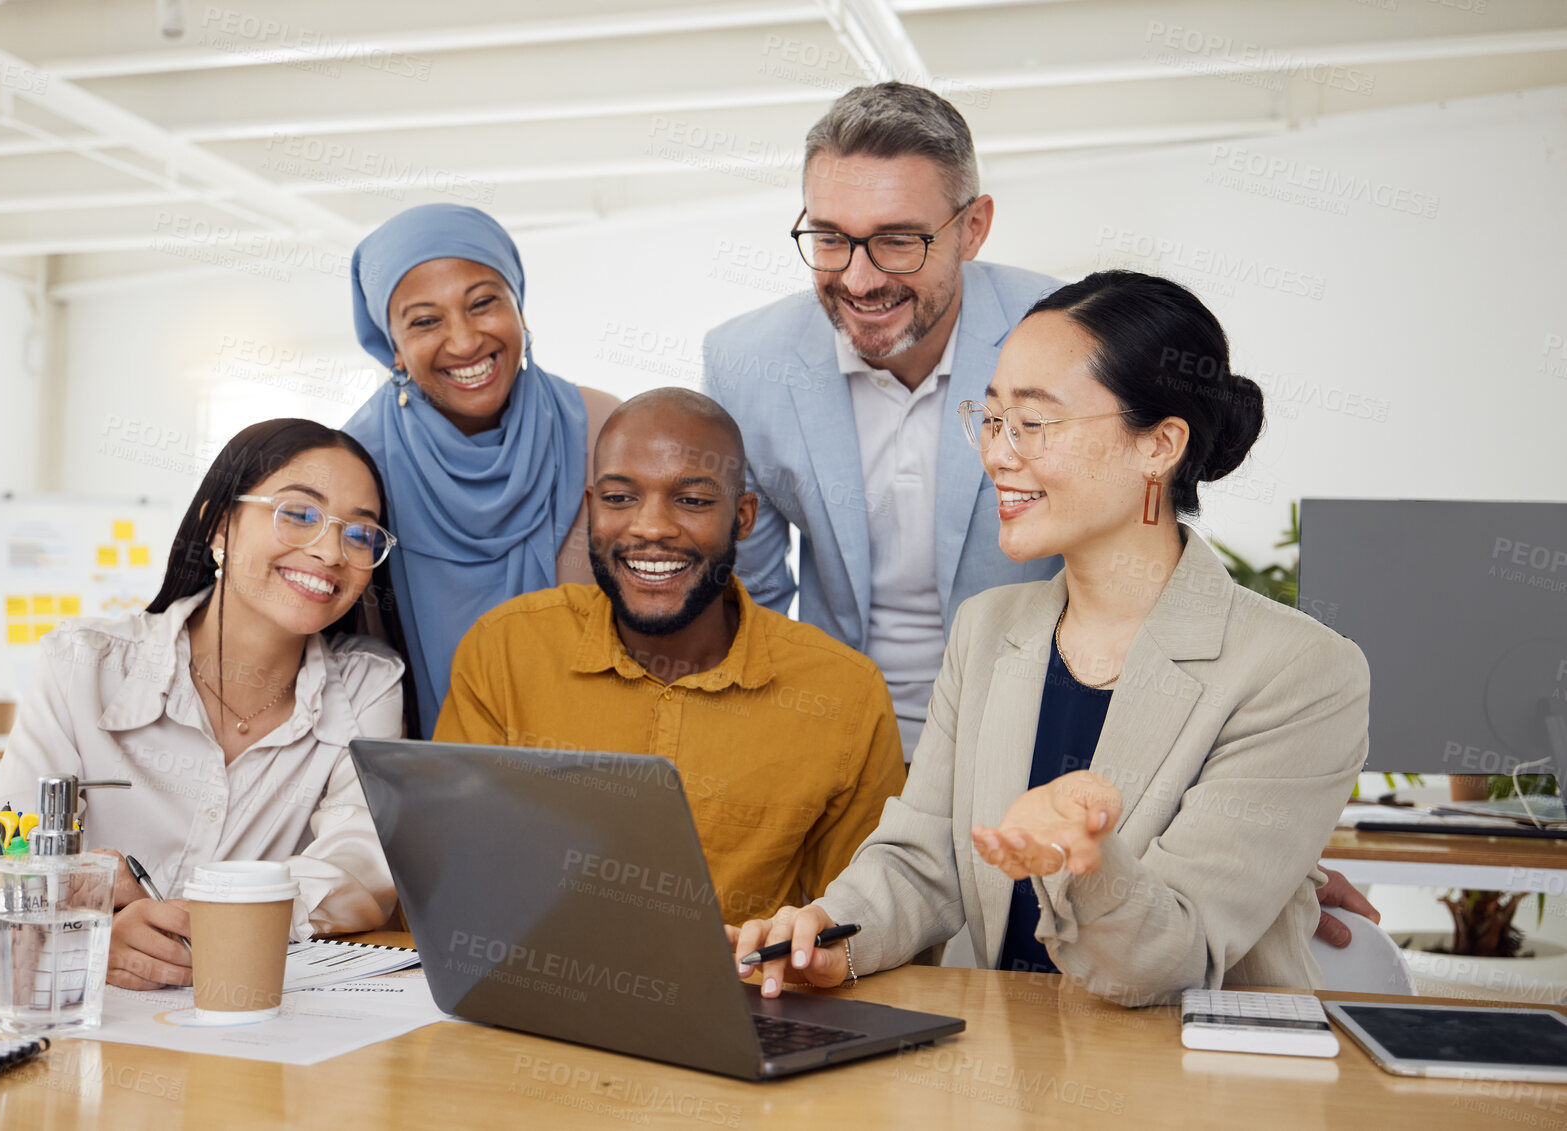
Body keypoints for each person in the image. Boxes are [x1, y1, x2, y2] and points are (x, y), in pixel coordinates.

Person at [730, 272, 1371, 1005]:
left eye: (1033, 423)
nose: (999, 453)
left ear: (1159, 444)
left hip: (1192, 1085)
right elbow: (920, 861)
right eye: (991, 418)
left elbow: (1172, 961)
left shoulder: (1300, 671)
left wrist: (1086, 860)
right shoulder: (987, 629)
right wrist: (827, 936)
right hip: (1006, 1069)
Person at [0, 420, 411, 989]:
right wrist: (89, 947)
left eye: (359, 534)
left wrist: (199, 913)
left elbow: (357, 870)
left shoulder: (368, 687)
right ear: (218, 525)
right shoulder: (83, 666)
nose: (329, 551)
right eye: (298, 514)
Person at [435, 389, 906, 924]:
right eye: (619, 499)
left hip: (745, 1002)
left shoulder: (843, 693)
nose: (651, 527)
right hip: (523, 998)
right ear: (591, 510)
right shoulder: (506, 649)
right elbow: (451, 872)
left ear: (744, 517)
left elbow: (862, 929)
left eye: (693, 500)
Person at [703, 82, 1062, 759]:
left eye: (898, 241)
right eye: (830, 238)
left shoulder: (1067, 331)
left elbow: (1119, 561)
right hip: (839, 738)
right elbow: (749, 600)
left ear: (973, 227)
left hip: (1038, 738)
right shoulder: (744, 363)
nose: (859, 281)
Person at [344, 203, 619, 735]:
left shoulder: (604, 428)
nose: (465, 341)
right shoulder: (358, 462)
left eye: (484, 304)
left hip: (598, 759)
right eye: (425, 321)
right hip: (426, 771)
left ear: (520, 309)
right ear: (393, 349)